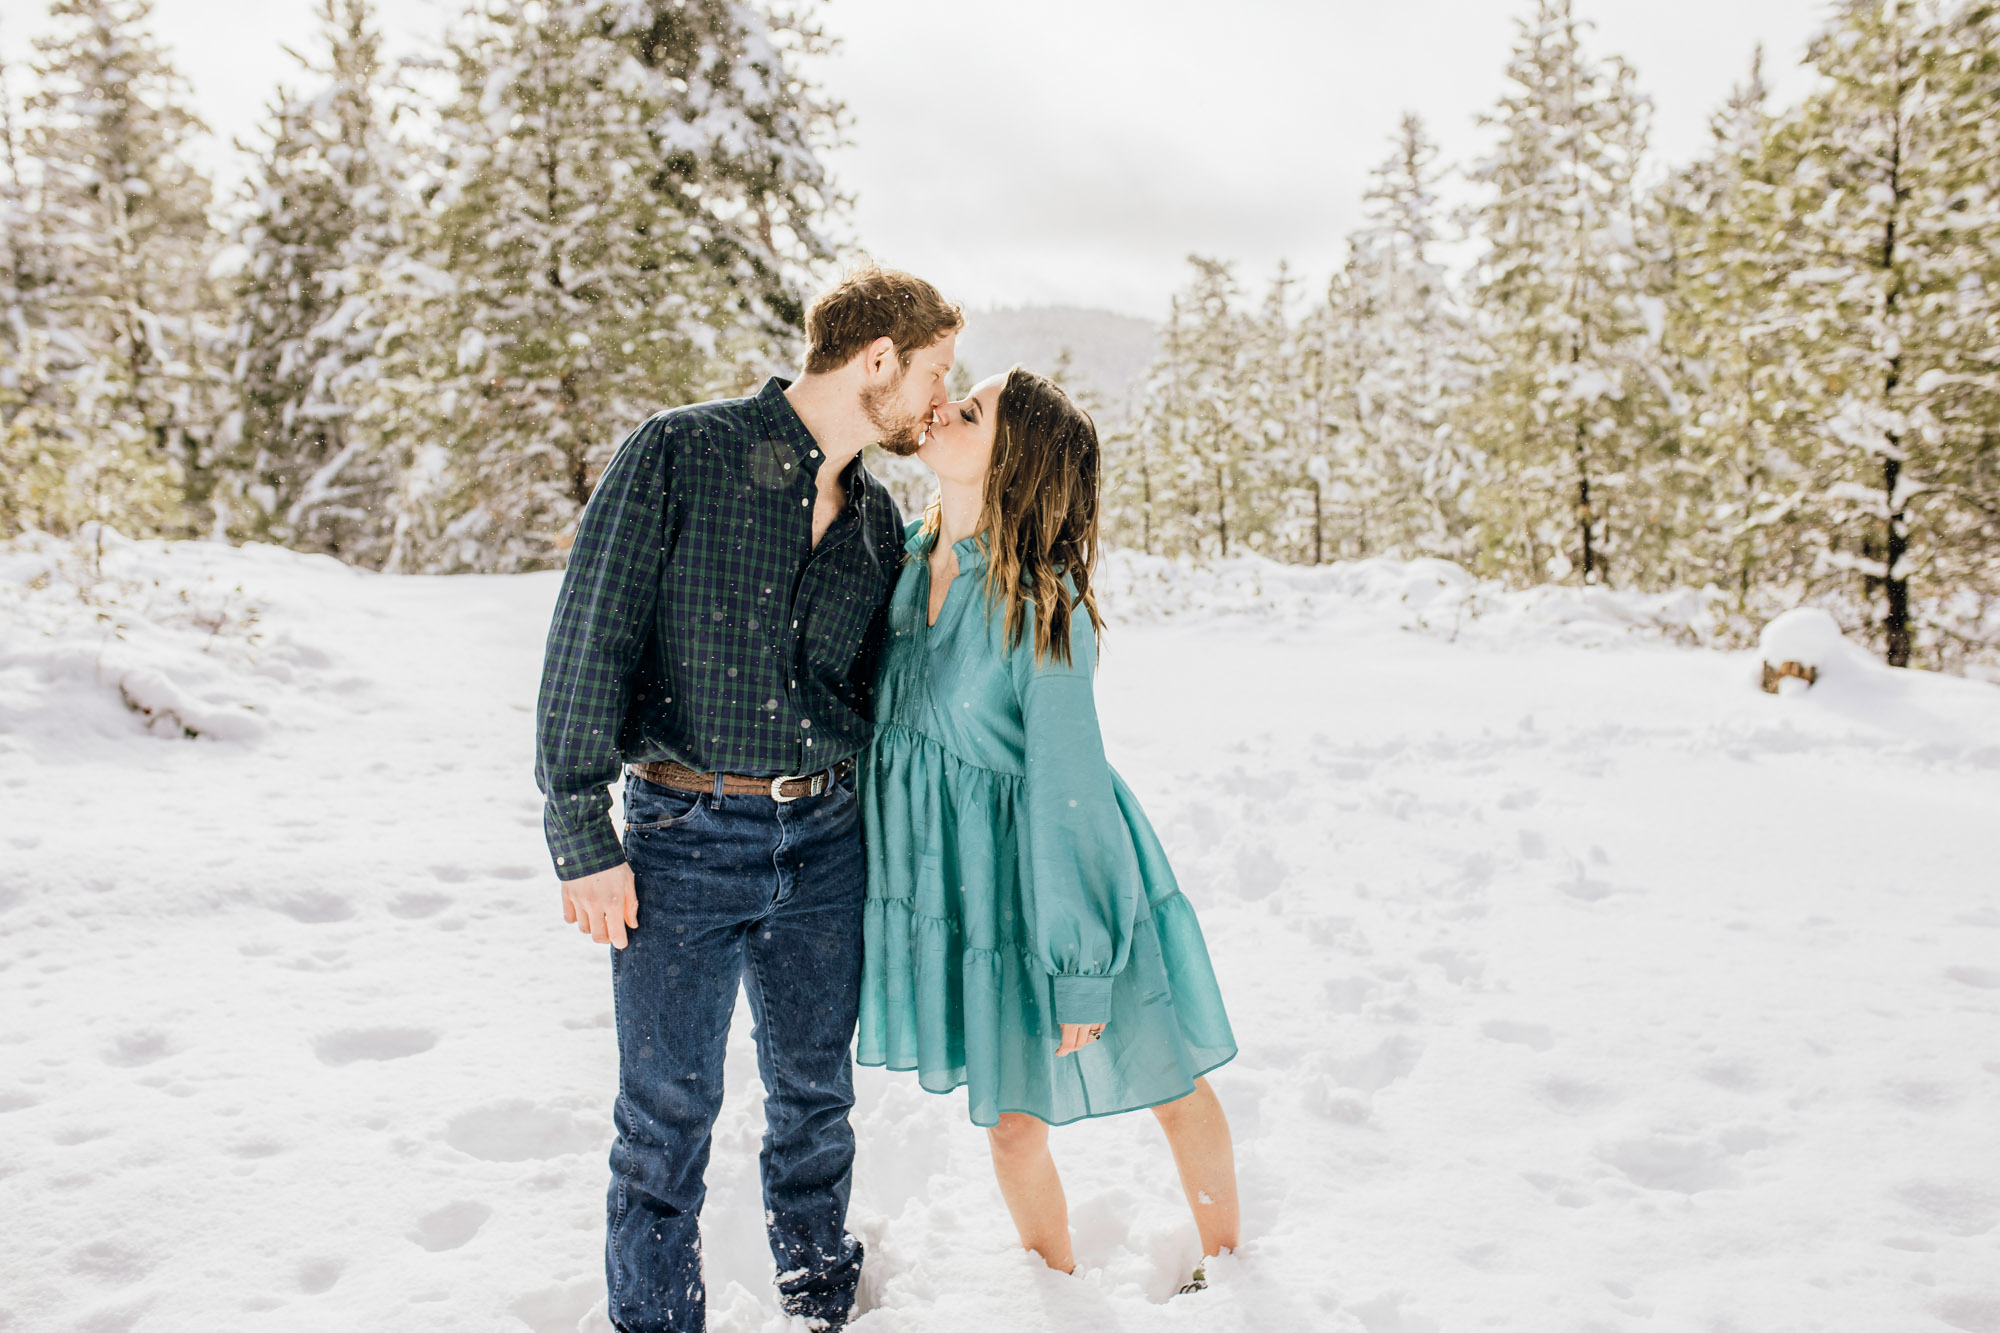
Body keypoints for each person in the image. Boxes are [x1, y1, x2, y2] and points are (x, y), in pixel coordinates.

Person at [534, 264, 962, 1333]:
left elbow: (878, 694)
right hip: (681, 838)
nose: (939, 399)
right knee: (662, 1119)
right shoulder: (681, 452)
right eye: (933, 372)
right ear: (875, 360)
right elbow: (589, 635)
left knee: (816, 1105)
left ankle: (816, 1302)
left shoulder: (873, 523)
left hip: (824, 842)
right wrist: (580, 827)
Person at [855, 367, 1240, 1288]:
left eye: (973, 409)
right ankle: (1054, 1296)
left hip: (1066, 878)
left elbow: (1068, 792)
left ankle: (1232, 1274)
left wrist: (1081, 965)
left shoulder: (1041, 605)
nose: (944, 406)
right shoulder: (903, 564)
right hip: (968, 888)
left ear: (1012, 462)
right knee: (1012, 1122)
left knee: (1169, 1071)